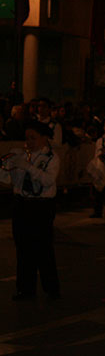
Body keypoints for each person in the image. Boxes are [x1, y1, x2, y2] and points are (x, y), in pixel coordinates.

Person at [0, 121, 61, 301]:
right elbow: (7, 179)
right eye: (27, 138)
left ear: (44, 138)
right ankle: (25, 289)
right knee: (23, 248)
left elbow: (48, 180)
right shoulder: (21, 154)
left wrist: (27, 166)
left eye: (33, 138)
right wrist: (8, 164)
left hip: (41, 207)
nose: (29, 142)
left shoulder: (51, 157)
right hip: (21, 204)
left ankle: (51, 289)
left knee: (43, 248)